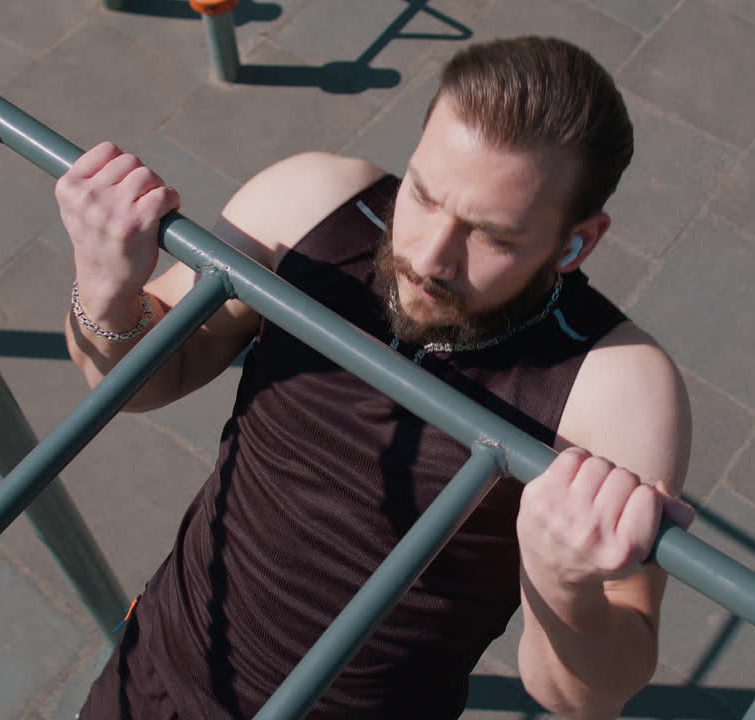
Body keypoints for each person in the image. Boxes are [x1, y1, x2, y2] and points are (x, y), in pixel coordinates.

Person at [58, 35, 693, 720]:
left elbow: (583, 700)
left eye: (494, 237)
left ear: (578, 241)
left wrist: (565, 584)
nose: (430, 257)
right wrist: (104, 290)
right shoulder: (309, 206)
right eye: (422, 193)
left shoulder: (615, 388)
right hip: (159, 672)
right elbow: (143, 379)